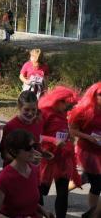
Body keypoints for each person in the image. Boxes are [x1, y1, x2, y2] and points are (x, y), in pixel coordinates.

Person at [0, 129, 54, 218]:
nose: (33, 150)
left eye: (34, 146)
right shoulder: (5, 178)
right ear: (14, 151)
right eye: (28, 148)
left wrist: (44, 211)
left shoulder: (33, 170)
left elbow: (29, 202)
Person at [38, 86, 79, 218]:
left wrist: (69, 139)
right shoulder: (44, 112)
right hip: (47, 157)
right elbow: (36, 135)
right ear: (58, 100)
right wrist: (53, 140)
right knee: (41, 191)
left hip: (63, 157)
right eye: (67, 104)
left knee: (63, 193)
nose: (68, 107)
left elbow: (63, 132)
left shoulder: (64, 114)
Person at [68, 82, 101, 218]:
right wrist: (88, 137)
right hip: (87, 151)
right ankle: (94, 213)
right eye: (100, 94)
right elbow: (72, 130)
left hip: (99, 151)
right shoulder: (83, 110)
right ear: (93, 95)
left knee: (87, 178)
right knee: (98, 183)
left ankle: (63, 189)